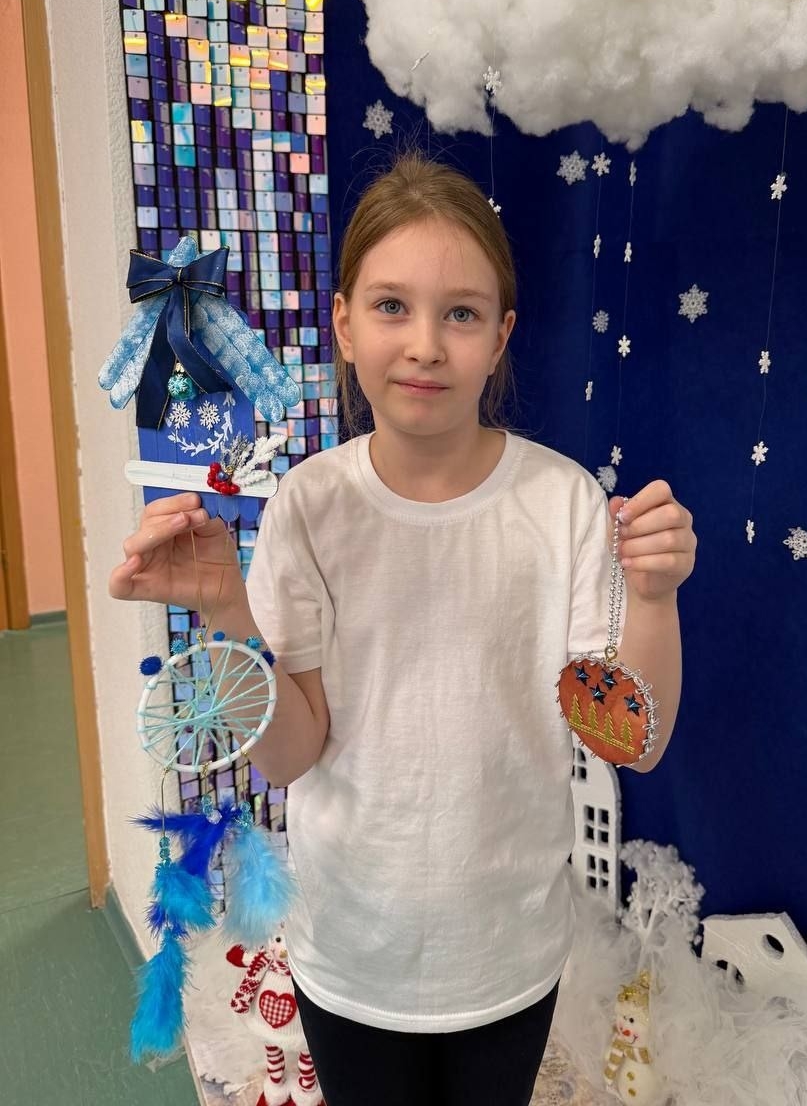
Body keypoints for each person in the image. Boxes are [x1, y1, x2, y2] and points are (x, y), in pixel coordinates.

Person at [109, 152, 696, 1106]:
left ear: (501, 337)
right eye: (392, 306)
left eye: (460, 313)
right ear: (344, 324)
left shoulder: (562, 505)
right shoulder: (310, 507)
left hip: (508, 951)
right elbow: (292, 755)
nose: (425, 344)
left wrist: (657, 598)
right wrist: (227, 610)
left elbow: (631, 741)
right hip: (353, 952)